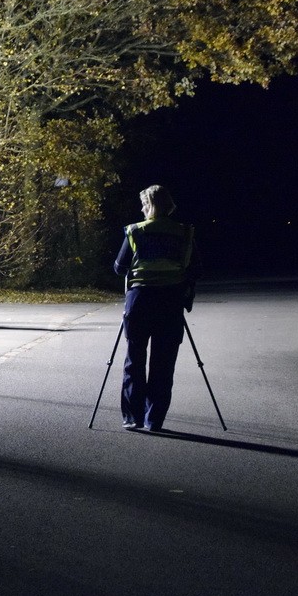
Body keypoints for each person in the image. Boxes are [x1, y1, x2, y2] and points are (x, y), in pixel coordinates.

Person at [113, 184, 200, 432]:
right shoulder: (184, 233)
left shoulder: (135, 232)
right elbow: (196, 269)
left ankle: (132, 417)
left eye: (143, 204)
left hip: (140, 302)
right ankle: (154, 420)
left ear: (150, 205)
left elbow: (120, 267)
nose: (141, 209)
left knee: (135, 360)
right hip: (170, 303)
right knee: (163, 363)